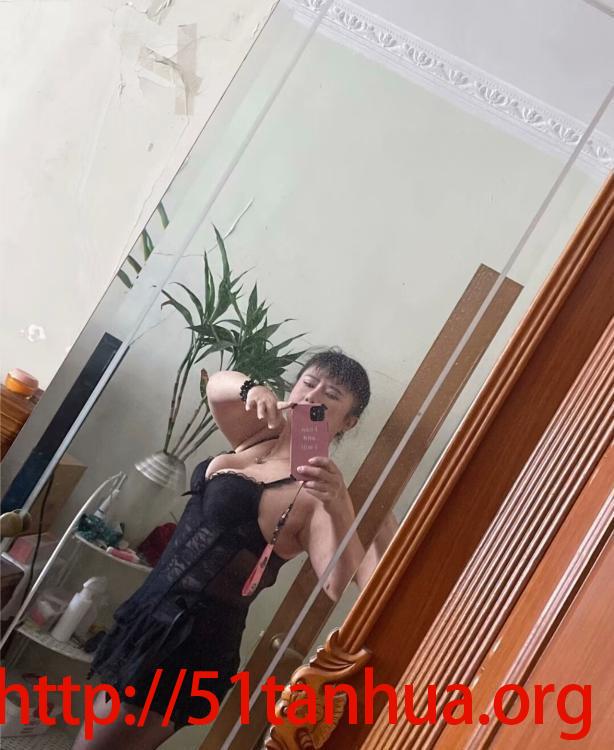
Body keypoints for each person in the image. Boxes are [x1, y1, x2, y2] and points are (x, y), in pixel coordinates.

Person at [73, 349, 392, 749]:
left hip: (188, 643)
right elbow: (217, 389)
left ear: (348, 422)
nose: (312, 397)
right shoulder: (256, 436)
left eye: (331, 395)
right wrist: (252, 388)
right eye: (308, 383)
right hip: (150, 612)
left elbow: (335, 584)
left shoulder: (315, 494)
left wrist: (339, 503)